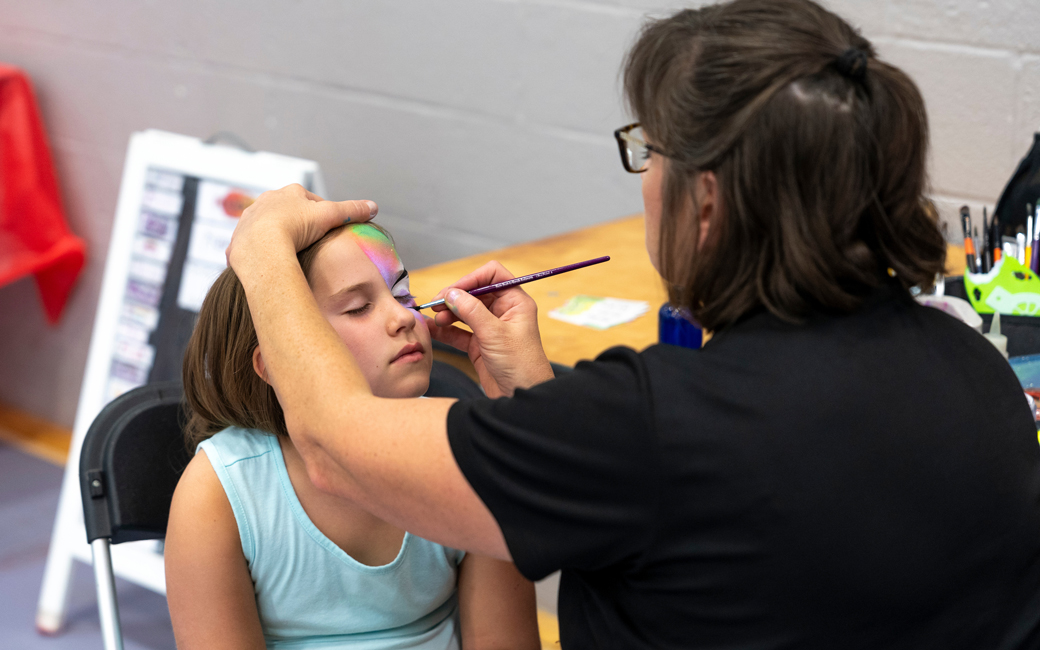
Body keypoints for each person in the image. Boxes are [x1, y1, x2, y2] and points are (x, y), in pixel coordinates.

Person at [223, 0, 1040, 648]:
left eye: (649, 155)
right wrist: (535, 401)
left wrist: (262, 249)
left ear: (707, 201)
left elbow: (334, 449)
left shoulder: (655, 426)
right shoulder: (972, 366)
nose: (644, 184)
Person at [165, 223, 540, 649]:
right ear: (274, 364)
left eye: (403, 294)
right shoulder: (218, 494)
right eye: (359, 307)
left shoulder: (465, 456)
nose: (403, 317)